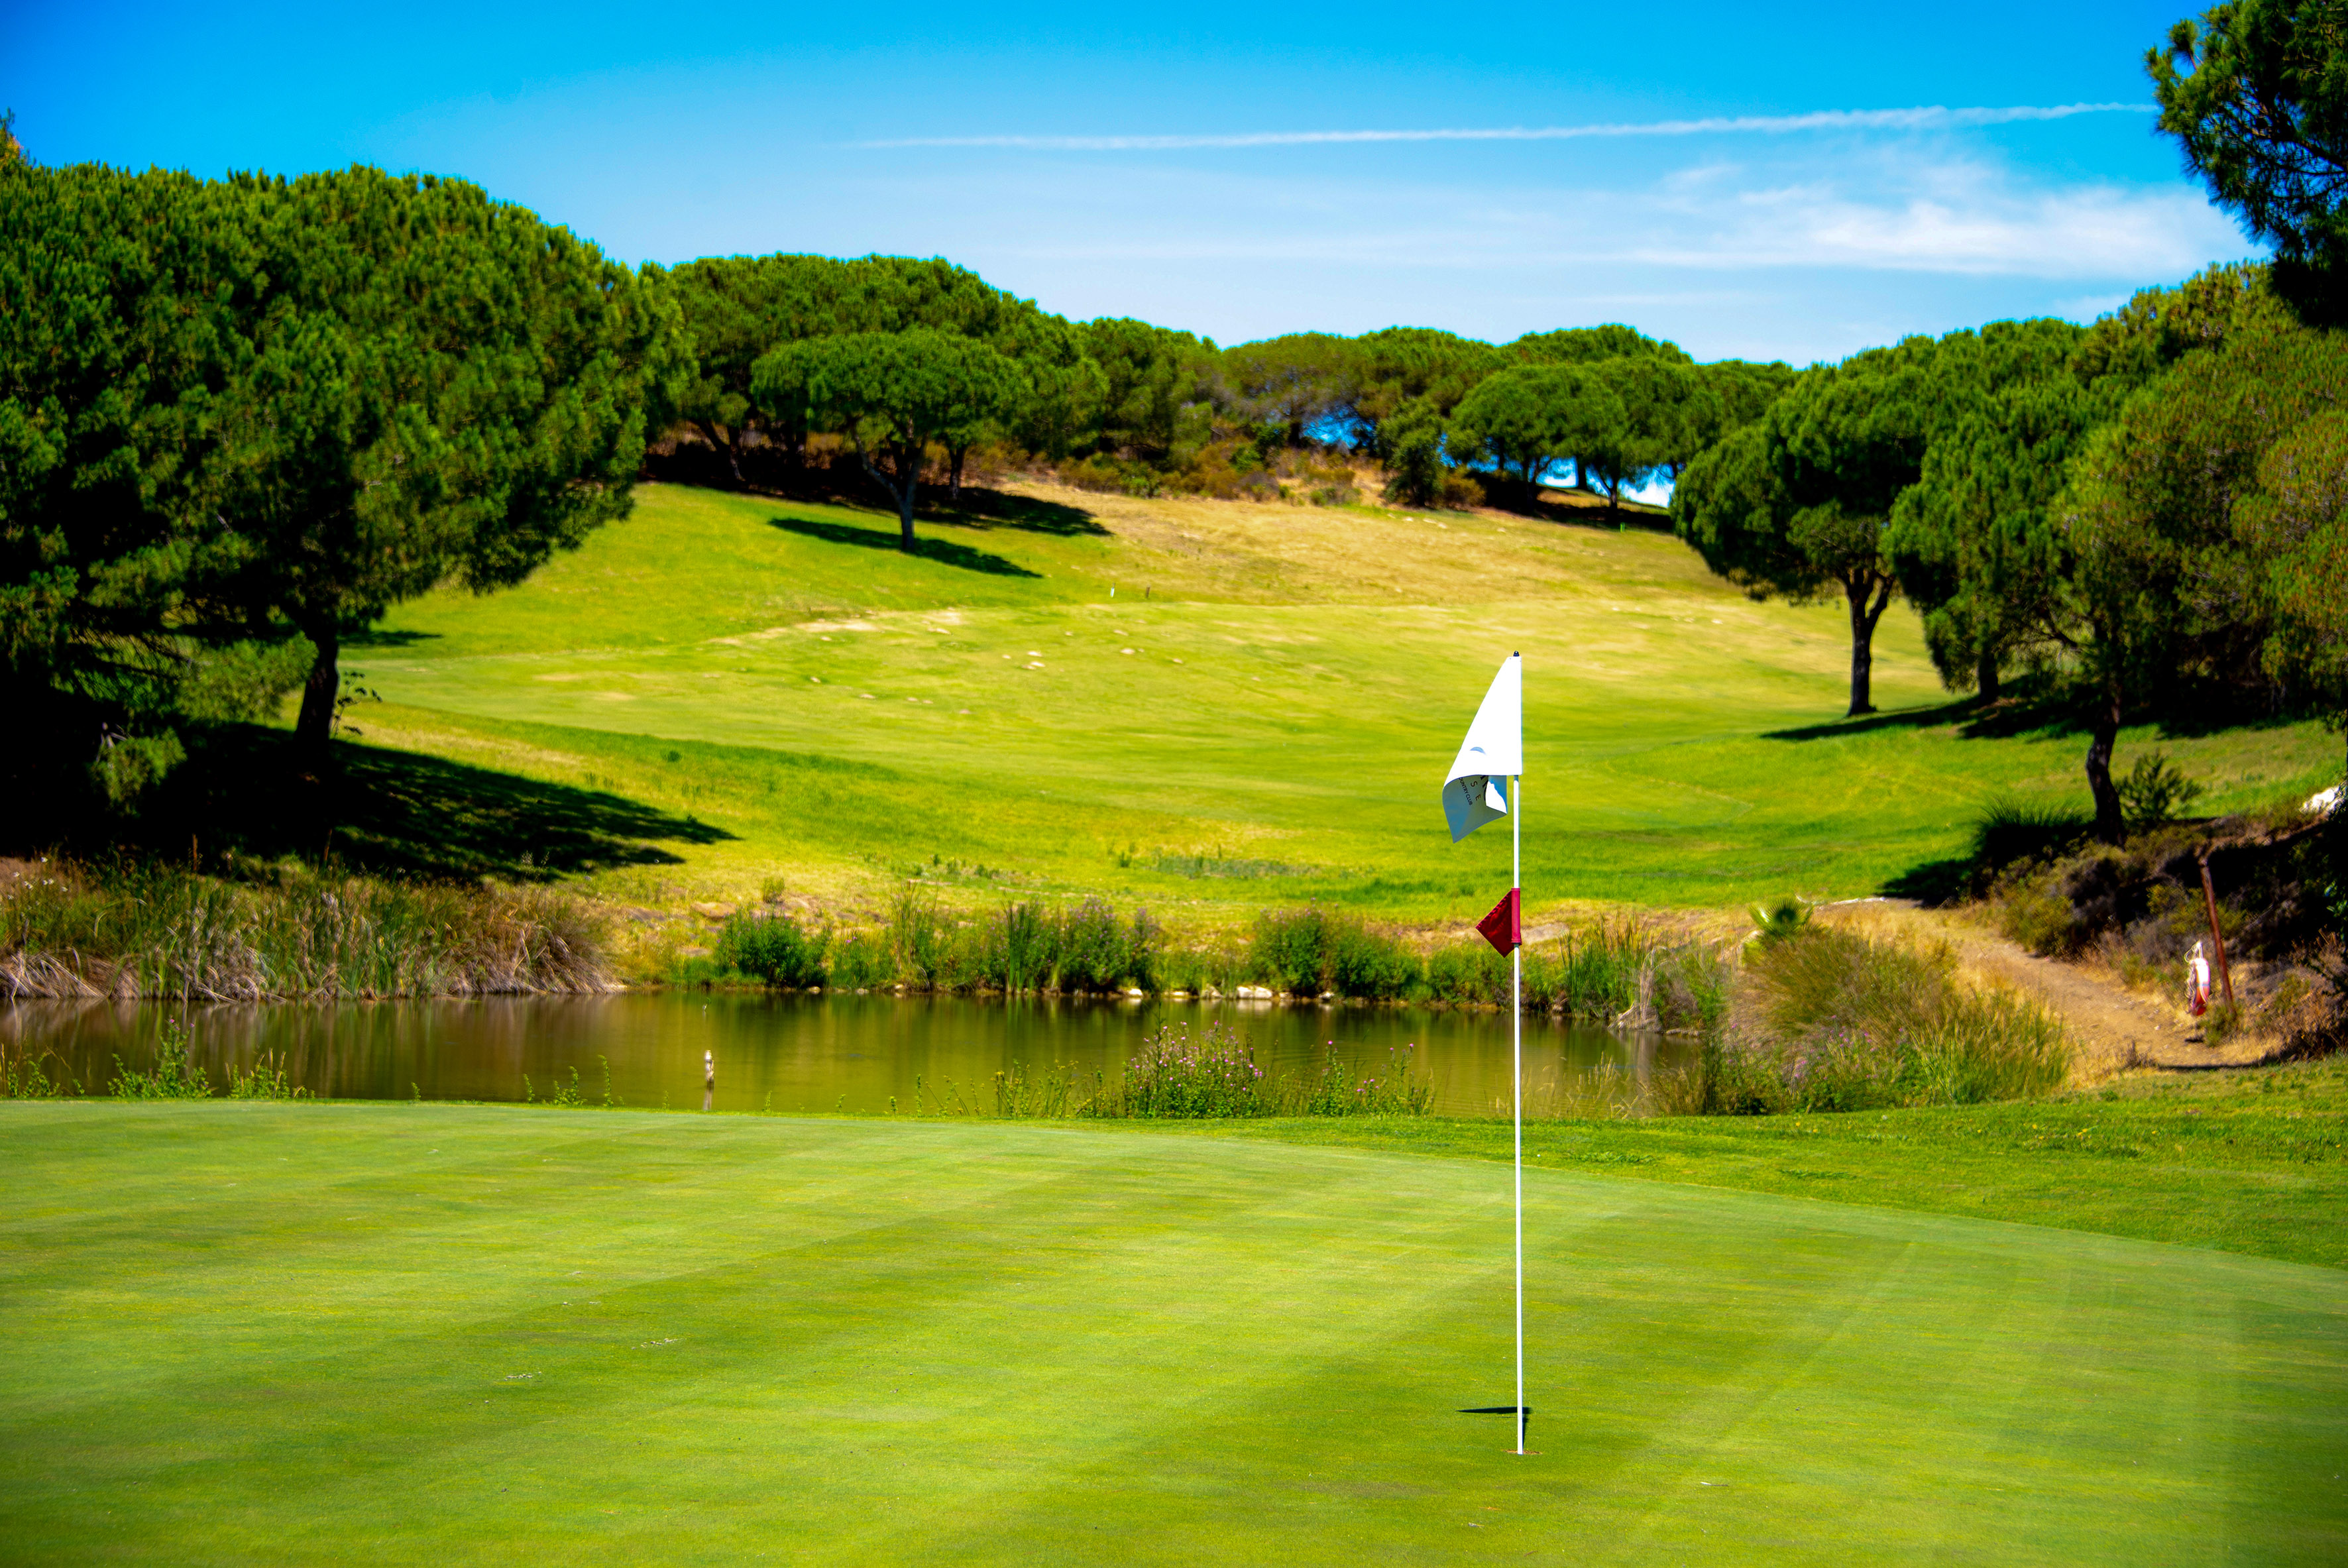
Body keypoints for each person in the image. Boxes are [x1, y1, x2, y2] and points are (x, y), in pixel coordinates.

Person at [2186, 940, 2212, 1019]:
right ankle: (2194, 1007)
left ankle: (2195, 1007)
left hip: (2201, 986)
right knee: (2191, 984)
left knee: (2192, 985)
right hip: (2200, 988)